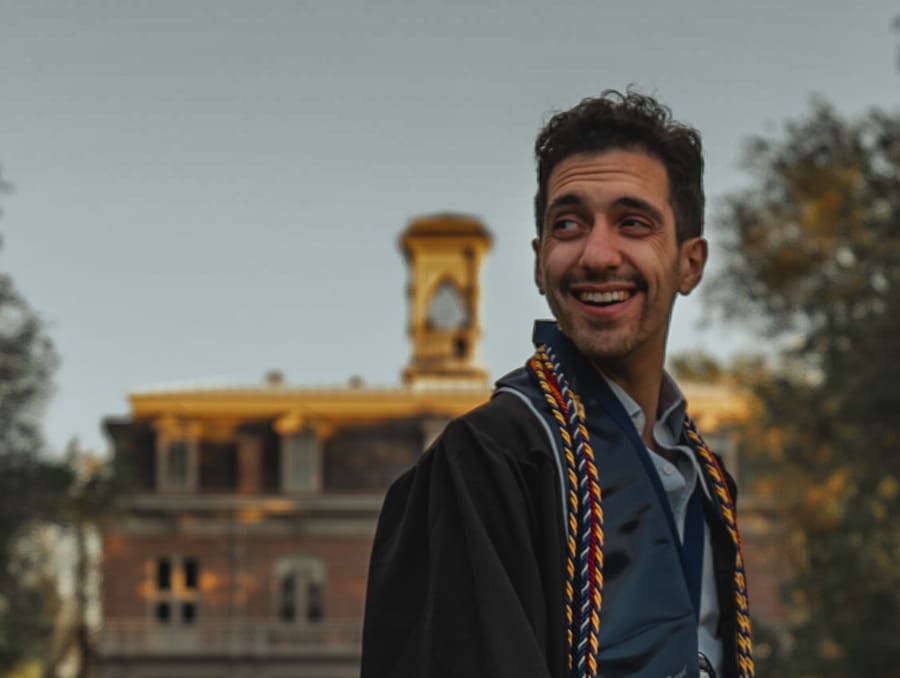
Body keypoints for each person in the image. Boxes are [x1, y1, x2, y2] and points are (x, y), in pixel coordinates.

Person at [361, 90, 753, 678]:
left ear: (690, 263)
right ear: (541, 260)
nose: (597, 254)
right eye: (569, 224)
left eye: (633, 223)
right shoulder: (490, 460)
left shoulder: (706, 481)